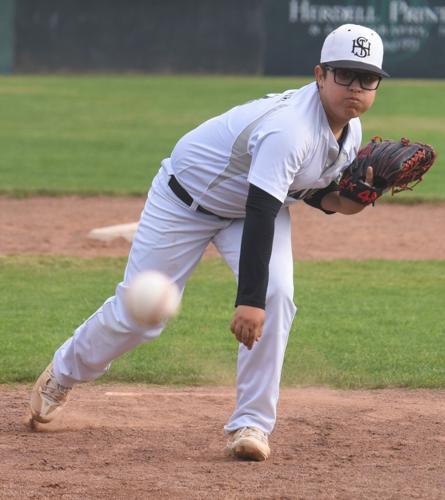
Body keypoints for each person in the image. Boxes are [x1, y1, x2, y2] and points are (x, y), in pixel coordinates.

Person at [30, 24, 388, 461]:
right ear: (319, 74)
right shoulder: (290, 129)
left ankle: (251, 424)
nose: (355, 87)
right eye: (344, 74)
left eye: (366, 78)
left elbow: (311, 192)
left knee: (279, 295)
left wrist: (350, 201)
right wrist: (248, 301)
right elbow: (260, 210)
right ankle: (63, 372)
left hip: (248, 207)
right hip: (185, 199)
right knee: (142, 314)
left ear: (377, 85)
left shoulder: (349, 134)